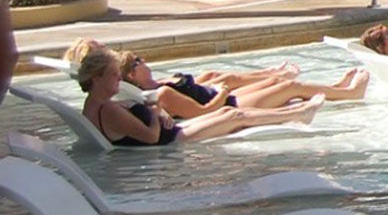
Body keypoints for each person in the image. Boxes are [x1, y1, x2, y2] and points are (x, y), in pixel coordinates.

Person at [76, 44, 323, 145]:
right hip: (171, 139)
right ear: (96, 79)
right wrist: (154, 112)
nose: (118, 77)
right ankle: (299, 114)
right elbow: (151, 138)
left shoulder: (94, 105)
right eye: (113, 74)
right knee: (233, 116)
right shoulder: (107, 110)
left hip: (169, 132)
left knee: (229, 112)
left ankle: (296, 112)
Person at [116, 49, 367, 114]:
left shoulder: (156, 84)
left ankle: (336, 88)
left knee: (280, 83)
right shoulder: (159, 96)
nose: (144, 60)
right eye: (138, 61)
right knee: (290, 87)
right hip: (230, 105)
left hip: (225, 97)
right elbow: (199, 114)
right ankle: (351, 93)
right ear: (131, 75)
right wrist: (223, 93)